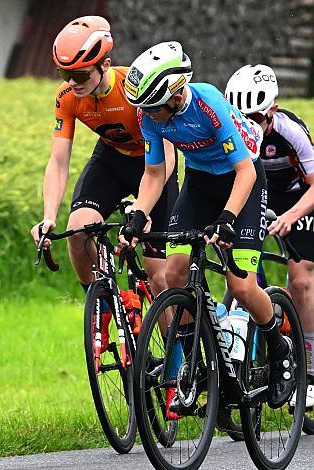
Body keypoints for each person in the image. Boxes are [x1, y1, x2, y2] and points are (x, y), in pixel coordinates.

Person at [120, 41, 296, 415]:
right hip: (199, 183)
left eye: (154, 106)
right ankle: (196, 361)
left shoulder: (208, 103)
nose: (149, 115)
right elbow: (154, 172)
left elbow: (246, 171)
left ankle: (280, 348)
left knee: (242, 285)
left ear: (175, 92)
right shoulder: (150, 115)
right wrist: (138, 213)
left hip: (242, 183)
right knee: (174, 273)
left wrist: (229, 218)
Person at [30, 16, 178, 327]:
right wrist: (48, 217)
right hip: (111, 160)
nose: (72, 82)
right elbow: (58, 161)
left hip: (154, 166)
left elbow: (166, 156)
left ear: (105, 64)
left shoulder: (135, 92)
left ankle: (175, 364)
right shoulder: (67, 97)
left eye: (80, 74)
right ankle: (102, 306)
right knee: (78, 230)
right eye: (64, 73)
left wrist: (143, 209)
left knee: (160, 276)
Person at [226, 64, 314, 406]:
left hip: (298, 198)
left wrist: (291, 216)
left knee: (302, 277)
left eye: (256, 119)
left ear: (272, 112)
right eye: (241, 117)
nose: (249, 126)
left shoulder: (290, 131)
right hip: (255, 193)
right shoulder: (230, 131)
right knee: (240, 279)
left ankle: (309, 370)